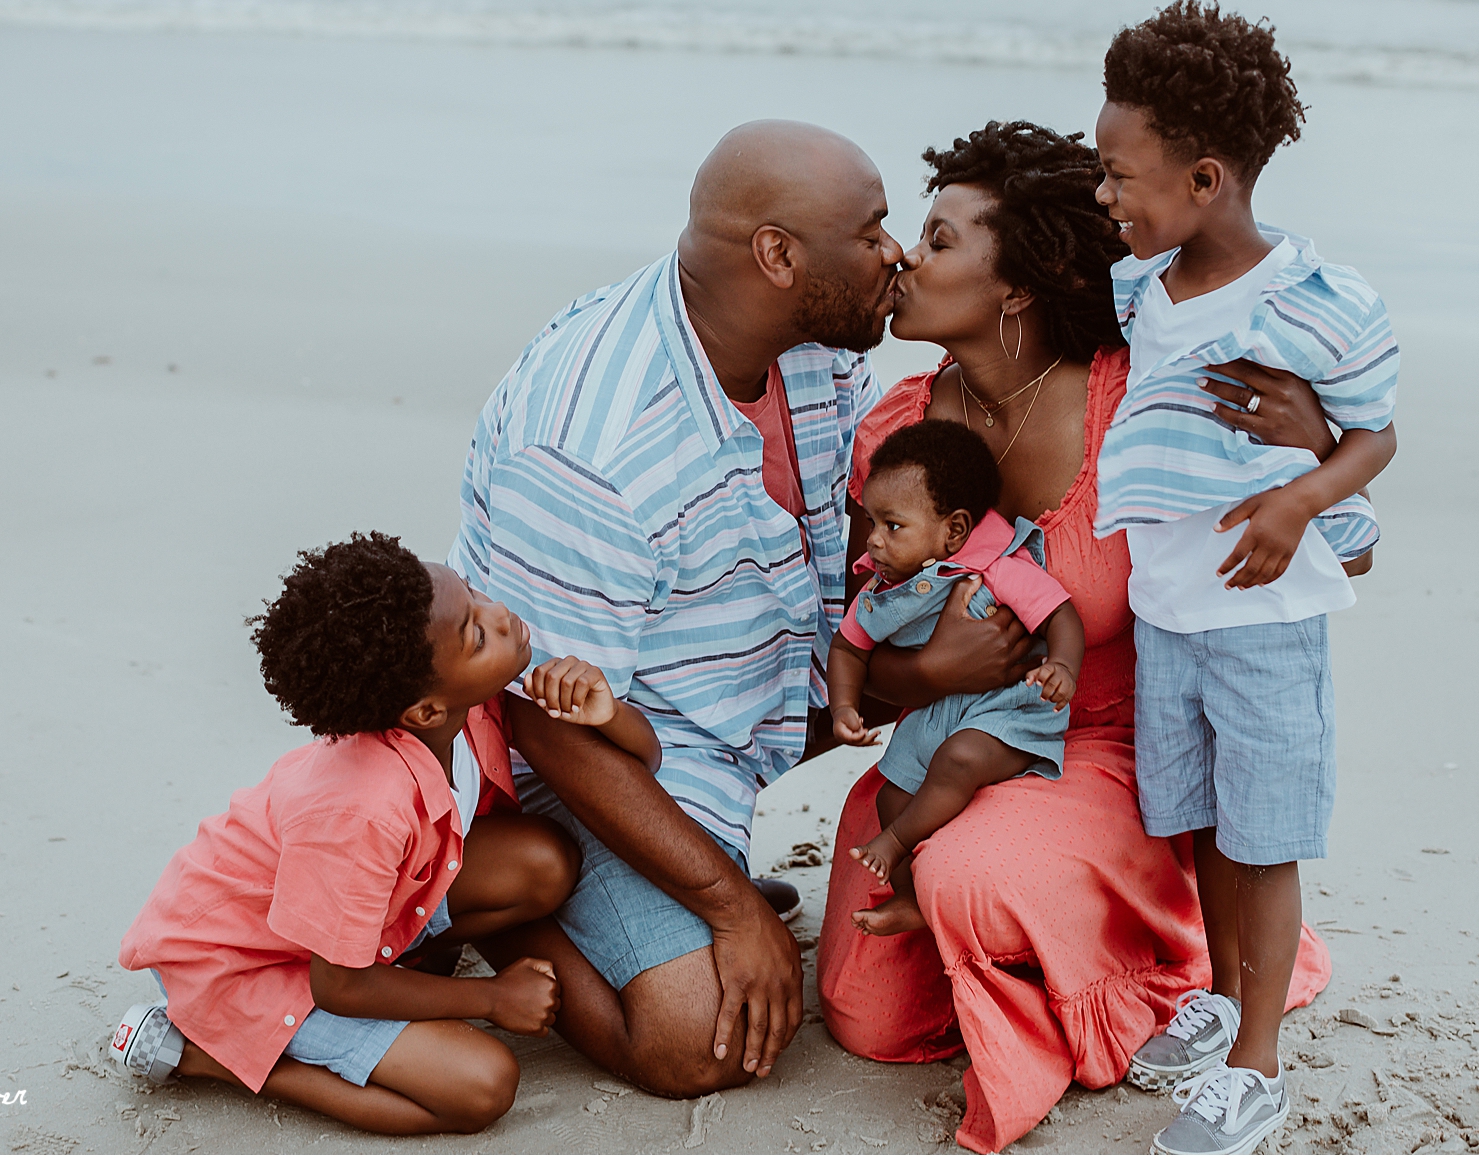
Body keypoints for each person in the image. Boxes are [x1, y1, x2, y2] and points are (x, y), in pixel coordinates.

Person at [815, 120, 1344, 1154]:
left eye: (939, 240)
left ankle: (1168, 947)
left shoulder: (1134, 395)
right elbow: (860, 658)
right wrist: (928, 670)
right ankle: (1007, 926)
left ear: (1016, 289)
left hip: (1115, 750)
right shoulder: (895, 435)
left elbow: (1309, 517)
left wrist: (1321, 444)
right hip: (943, 754)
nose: (903, 261)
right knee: (870, 1020)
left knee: (969, 878)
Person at [448, 120, 900, 1096]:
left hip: (734, 690)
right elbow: (541, 717)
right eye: (871, 232)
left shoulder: (808, 342)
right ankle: (503, 908)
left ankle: (689, 869)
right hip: (593, 752)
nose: (894, 252)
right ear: (777, 255)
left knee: (960, 614)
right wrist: (732, 908)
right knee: (700, 1039)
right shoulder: (593, 447)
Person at [1094, 0, 1398, 1154]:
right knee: (1208, 827)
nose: (1108, 196)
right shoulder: (1143, 290)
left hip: (1264, 617)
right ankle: (1222, 997)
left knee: (1262, 839)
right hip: (1173, 610)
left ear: (1207, 176)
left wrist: (1301, 497)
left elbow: (1376, 434)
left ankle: (1256, 1068)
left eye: (1121, 175)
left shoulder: (1307, 300)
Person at [112, 532, 657, 1135]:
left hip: (341, 932)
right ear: (423, 711)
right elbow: (338, 983)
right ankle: (212, 1055)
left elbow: (644, 769)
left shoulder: (469, 702)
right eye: (477, 634)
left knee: (544, 862)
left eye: (475, 597)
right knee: (480, 1086)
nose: (501, 615)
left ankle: (402, 967)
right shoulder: (362, 812)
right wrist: (492, 999)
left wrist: (609, 713)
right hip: (247, 964)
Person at [828, 418, 1083, 937]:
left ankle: (898, 843)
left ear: (955, 530)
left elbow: (1060, 614)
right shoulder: (880, 589)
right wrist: (843, 708)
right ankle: (908, 897)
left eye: (892, 526)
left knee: (959, 758)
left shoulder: (995, 566)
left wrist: (1063, 665)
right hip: (935, 715)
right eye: (872, 523)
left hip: (1010, 709)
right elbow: (846, 648)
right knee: (890, 794)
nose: (873, 542)